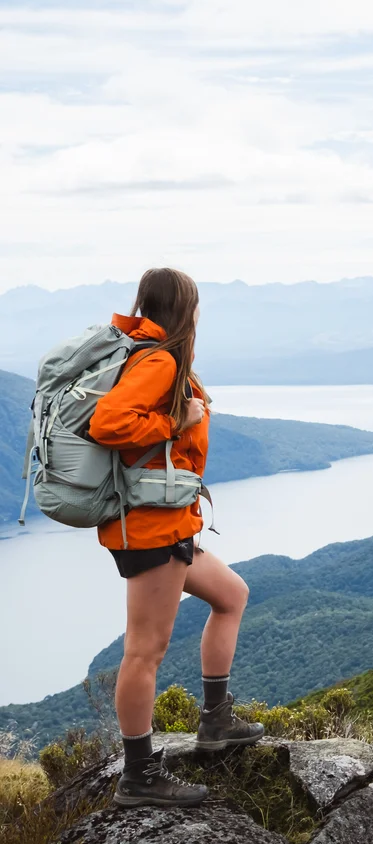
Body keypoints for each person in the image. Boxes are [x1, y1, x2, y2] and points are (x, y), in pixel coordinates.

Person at [88, 268, 263, 808]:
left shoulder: (158, 355)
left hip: (172, 522)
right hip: (151, 530)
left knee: (231, 595)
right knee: (145, 651)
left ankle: (215, 721)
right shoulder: (158, 361)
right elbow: (107, 423)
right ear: (184, 309)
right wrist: (174, 422)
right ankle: (138, 777)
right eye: (196, 306)